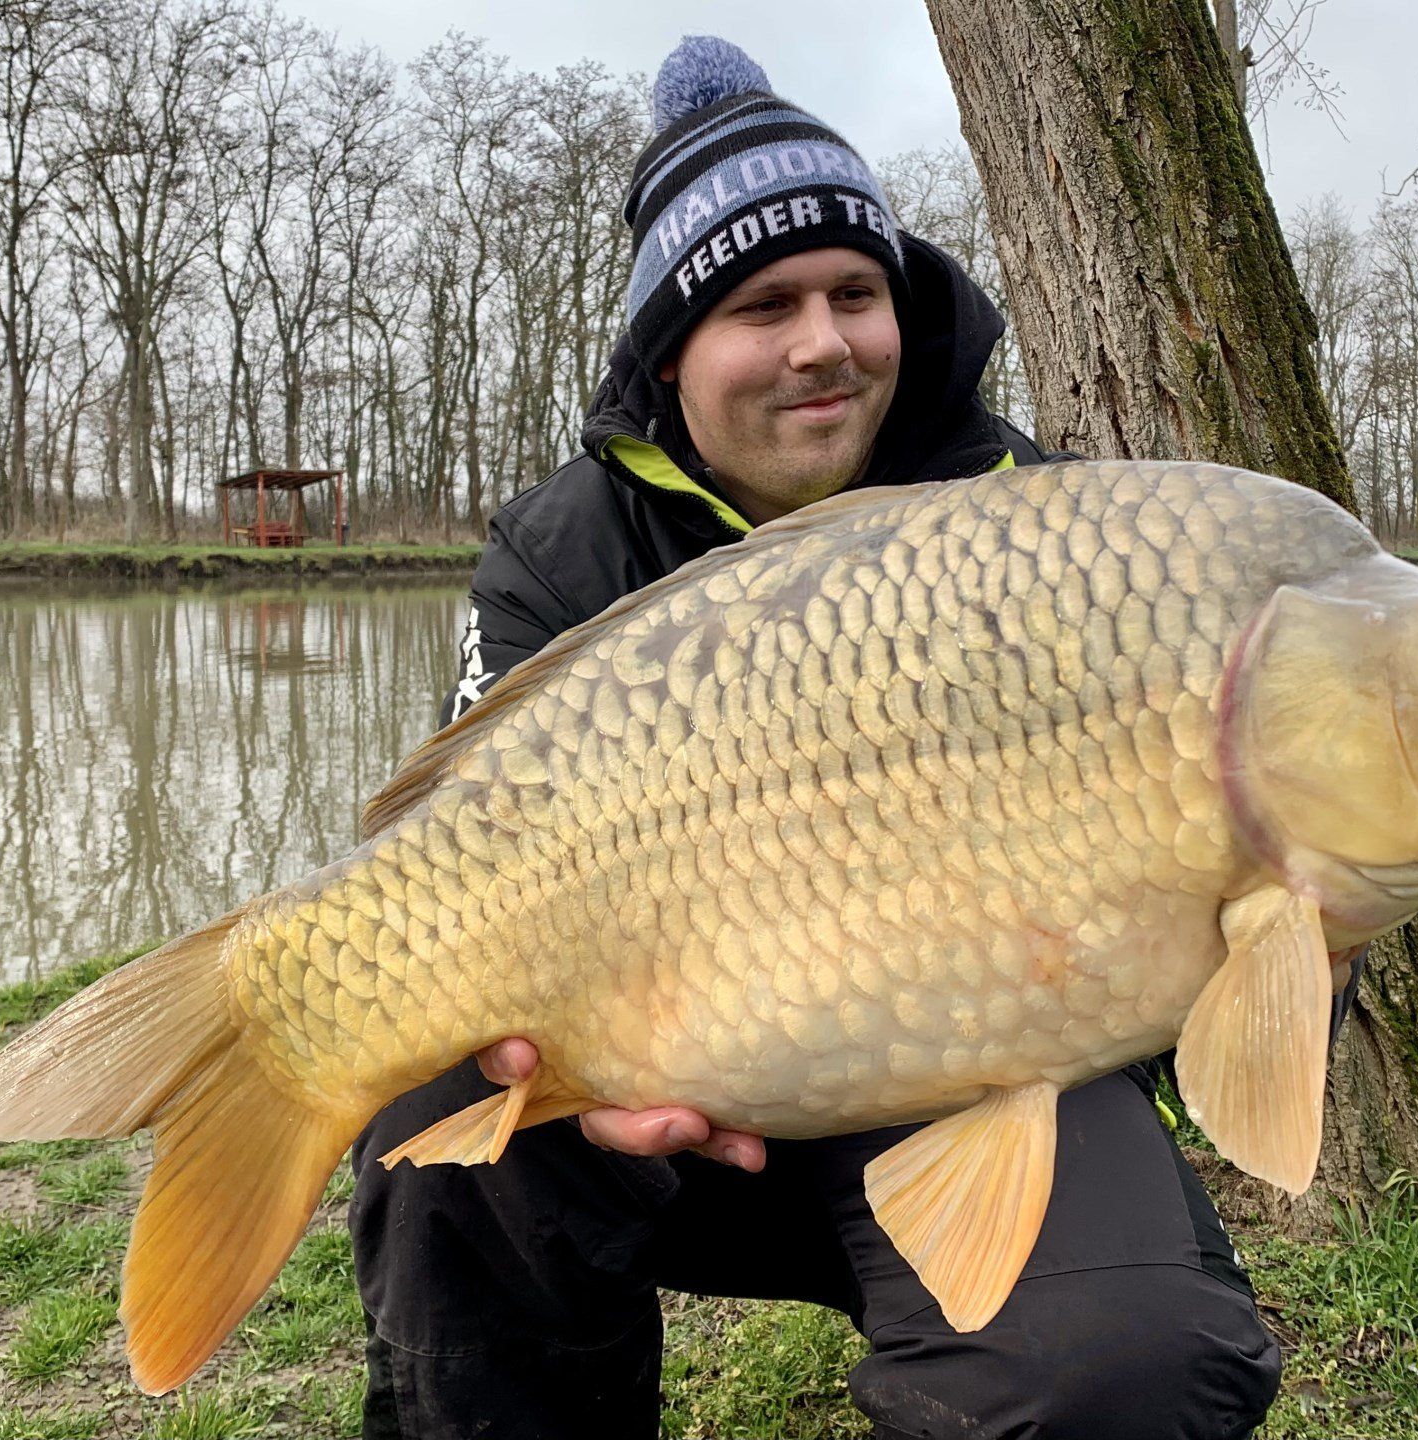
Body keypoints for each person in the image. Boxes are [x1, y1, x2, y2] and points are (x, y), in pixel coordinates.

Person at [352, 36, 1358, 1440]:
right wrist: (584, 1080)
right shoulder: (563, 549)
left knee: (1127, 1365)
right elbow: (458, 863)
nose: (824, 340)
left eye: (855, 291)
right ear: (673, 351)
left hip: (983, 1078)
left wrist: (1308, 934)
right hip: (669, 1096)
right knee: (434, 1110)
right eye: (762, 304)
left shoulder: (1059, 530)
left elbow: (1245, 914)